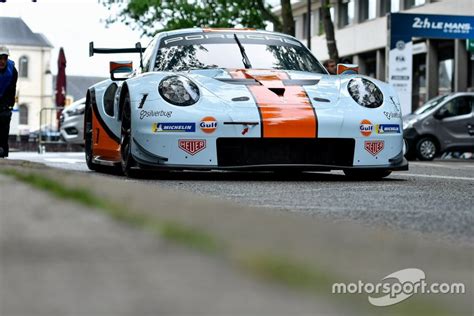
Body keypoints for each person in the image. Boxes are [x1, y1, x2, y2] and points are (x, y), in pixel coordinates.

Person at [0, 45, 18, 158]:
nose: (2, 61)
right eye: (0, 58)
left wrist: (10, 105)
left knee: (4, 123)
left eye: (4, 58)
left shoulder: (12, 71)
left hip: (5, 100)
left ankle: (3, 151)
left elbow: (12, 89)